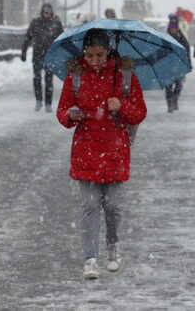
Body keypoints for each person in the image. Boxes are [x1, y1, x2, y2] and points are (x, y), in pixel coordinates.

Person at [57, 28, 147, 279]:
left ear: (109, 52)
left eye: (99, 55)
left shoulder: (125, 77)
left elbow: (139, 113)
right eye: (89, 55)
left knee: (114, 206)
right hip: (86, 149)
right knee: (89, 205)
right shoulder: (75, 76)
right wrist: (70, 115)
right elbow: (62, 111)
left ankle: (113, 245)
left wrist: (122, 106)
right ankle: (90, 259)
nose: (94, 61)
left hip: (115, 150)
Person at [21, 3, 64, 112]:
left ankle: (48, 103)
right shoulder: (36, 23)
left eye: (48, 12)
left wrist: (63, 54)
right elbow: (28, 37)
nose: (46, 14)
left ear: (51, 12)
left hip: (50, 56)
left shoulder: (56, 23)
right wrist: (24, 52)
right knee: (37, 78)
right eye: (45, 12)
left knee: (49, 80)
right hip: (37, 54)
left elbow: (63, 39)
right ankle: (39, 100)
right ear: (42, 12)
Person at [165, 14, 189, 112]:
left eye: (174, 27)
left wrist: (187, 64)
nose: (173, 29)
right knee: (168, 86)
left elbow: (187, 51)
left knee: (179, 85)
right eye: (171, 27)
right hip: (167, 66)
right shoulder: (165, 38)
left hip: (179, 66)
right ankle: (170, 103)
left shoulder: (182, 38)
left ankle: (175, 99)